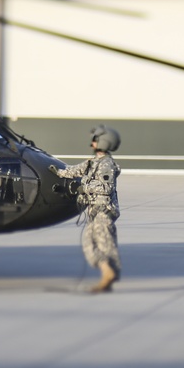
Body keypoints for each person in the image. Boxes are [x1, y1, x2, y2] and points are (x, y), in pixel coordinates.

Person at [50, 125, 122, 293]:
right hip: (94, 210)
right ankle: (107, 273)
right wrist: (57, 172)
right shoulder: (92, 163)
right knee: (89, 244)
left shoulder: (107, 165)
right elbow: (74, 171)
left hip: (103, 210)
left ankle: (109, 274)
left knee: (105, 244)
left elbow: (106, 187)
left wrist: (84, 187)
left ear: (104, 141)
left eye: (95, 139)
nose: (92, 143)